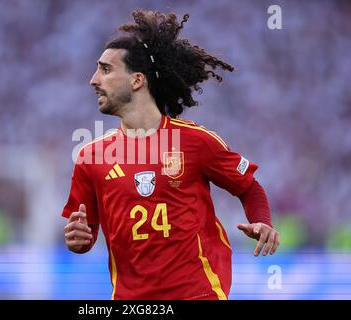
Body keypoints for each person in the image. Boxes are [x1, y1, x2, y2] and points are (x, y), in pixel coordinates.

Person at [62, 10, 279, 300]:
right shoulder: (91, 157)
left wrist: (261, 220)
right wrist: (77, 240)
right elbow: (84, 233)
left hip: (200, 294)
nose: (93, 80)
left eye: (105, 69)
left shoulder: (195, 142)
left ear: (137, 80)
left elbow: (249, 187)